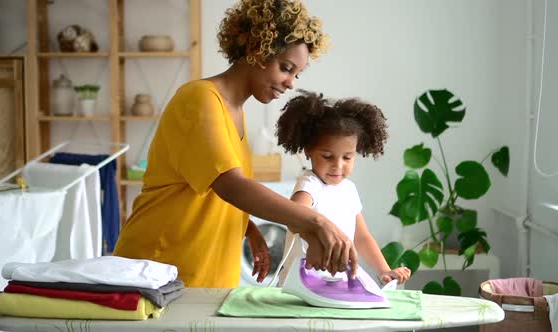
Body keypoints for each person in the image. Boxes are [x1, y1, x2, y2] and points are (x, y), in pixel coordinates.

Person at [113, 0, 359, 288]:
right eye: (286, 68)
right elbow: (231, 186)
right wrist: (316, 223)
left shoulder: (236, 113)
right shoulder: (199, 100)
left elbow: (205, 192)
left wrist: (248, 228)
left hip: (204, 280)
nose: (291, 83)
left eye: (297, 74)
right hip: (157, 270)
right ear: (257, 50)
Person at [275, 90, 412, 285]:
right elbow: (294, 218)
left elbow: (362, 237)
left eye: (347, 157)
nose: (338, 165)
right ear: (309, 150)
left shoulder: (349, 189)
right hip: (299, 283)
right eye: (328, 156)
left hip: (333, 282)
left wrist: (385, 270)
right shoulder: (309, 184)